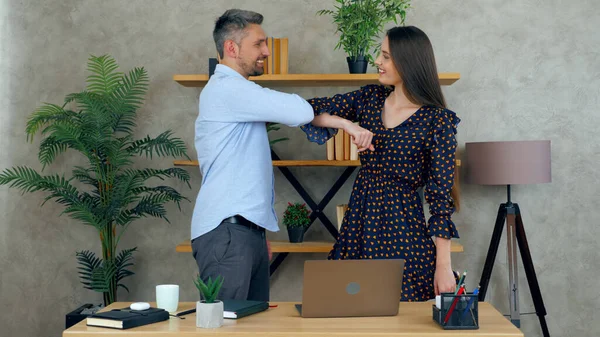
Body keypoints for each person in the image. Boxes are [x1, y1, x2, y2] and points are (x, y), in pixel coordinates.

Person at [300, 26, 460, 301]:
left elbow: (440, 198)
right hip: (360, 224)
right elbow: (306, 110)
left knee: (404, 313)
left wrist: (443, 266)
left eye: (386, 56)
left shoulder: (438, 121)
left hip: (404, 229)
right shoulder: (369, 99)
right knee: (349, 307)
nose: (378, 61)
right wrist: (345, 124)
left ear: (407, 61)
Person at [191, 9, 314, 301]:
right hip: (229, 235)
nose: (267, 51)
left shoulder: (238, 93)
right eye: (259, 43)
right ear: (231, 48)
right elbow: (302, 111)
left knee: (252, 326)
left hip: (243, 232)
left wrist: (256, 234)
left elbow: (244, 168)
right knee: (228, 327)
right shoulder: (227, 89)